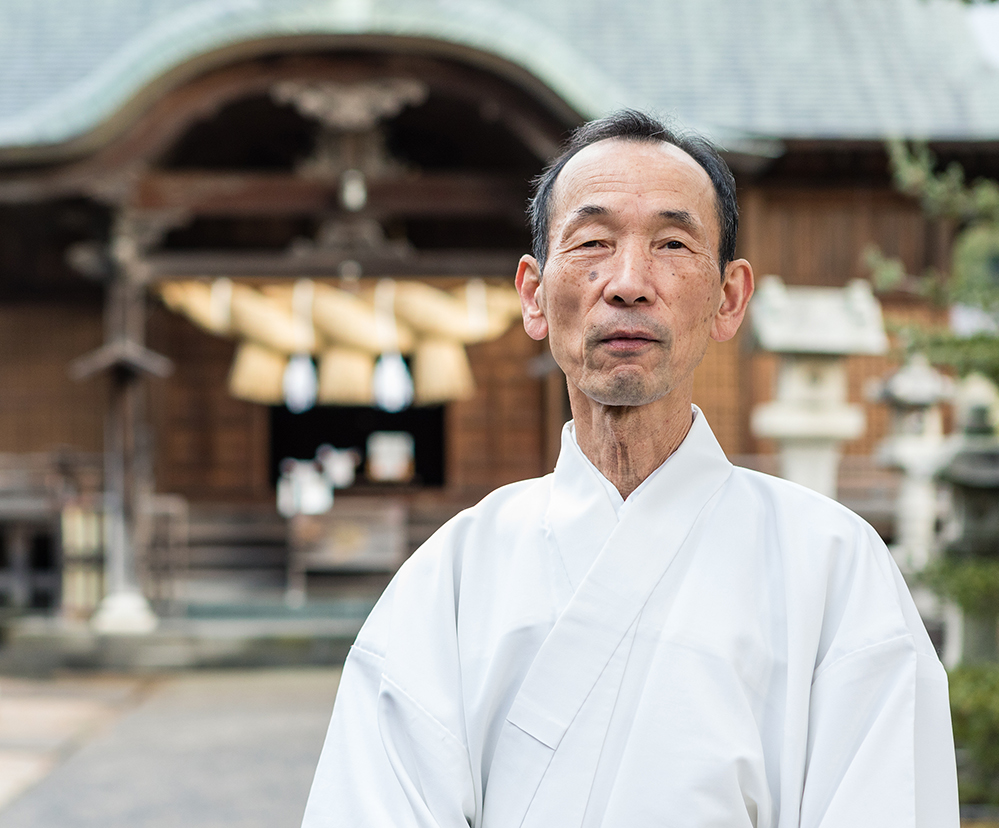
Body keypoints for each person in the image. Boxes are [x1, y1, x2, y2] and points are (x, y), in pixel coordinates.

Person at [301, 109, 958, 828]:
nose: (628, 283)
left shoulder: (835, 567)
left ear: (729, 298)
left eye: (673, 243)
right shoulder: (451, 577)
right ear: (533, 295)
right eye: (592, 242)